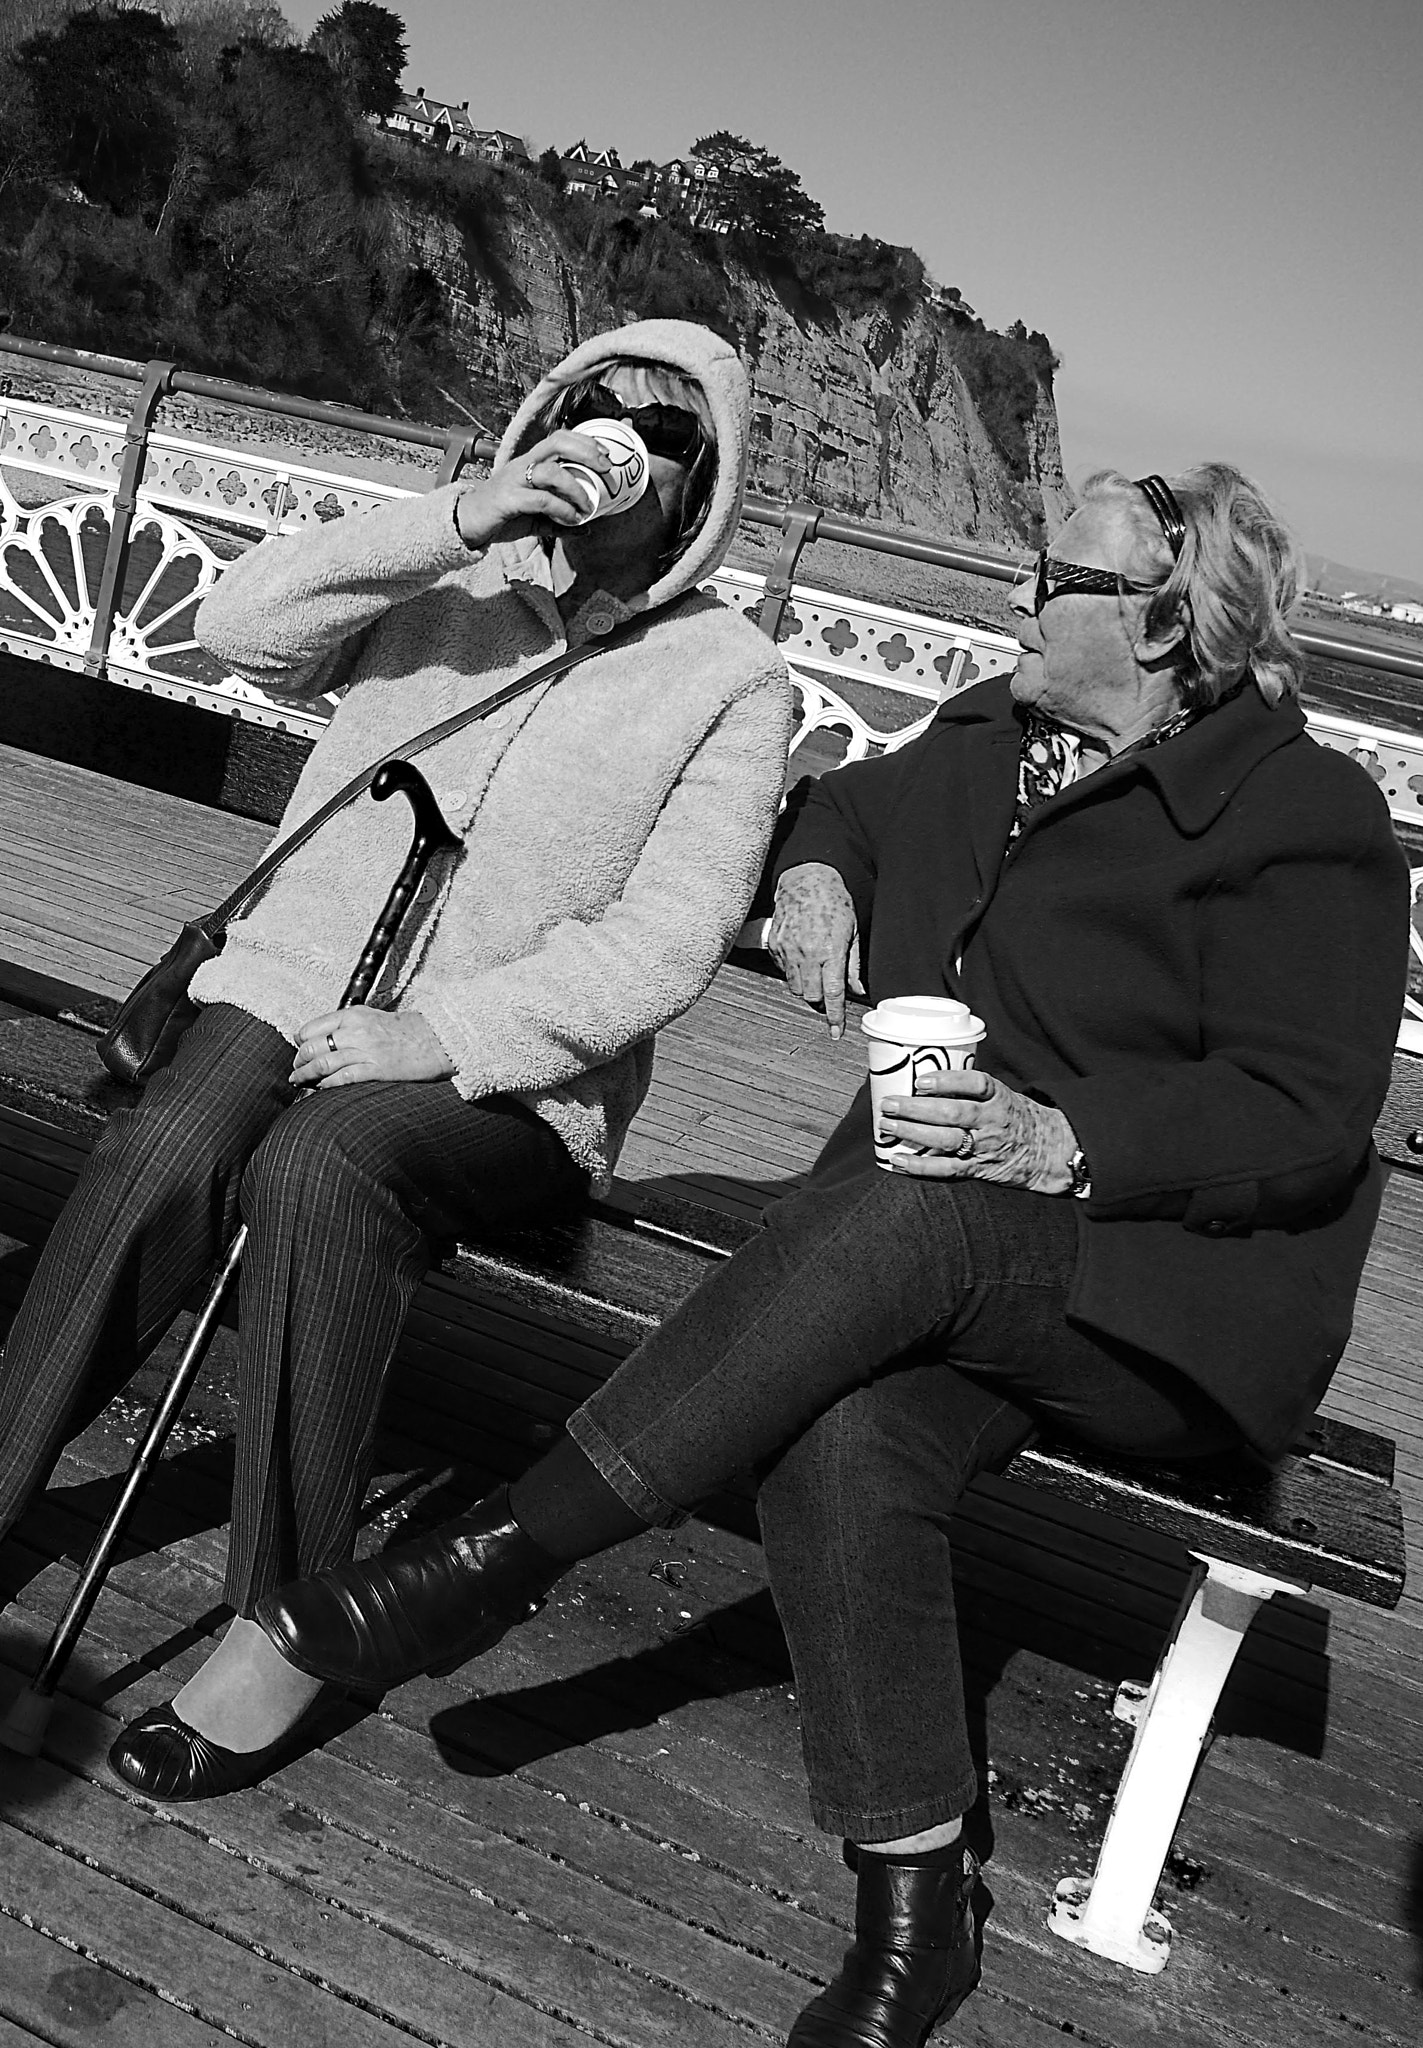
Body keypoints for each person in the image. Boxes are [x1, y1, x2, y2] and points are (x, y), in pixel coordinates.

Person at [257, 461, 1408, 2047]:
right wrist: (813, 870)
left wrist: (1065, 1143)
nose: (1021, 597)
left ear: (1158, 622)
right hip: (922, 1250)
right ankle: (920, 1905)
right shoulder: (993, 739)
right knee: (842, 1428)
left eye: (1055, 579)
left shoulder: (1308, 817)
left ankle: (492, 1562)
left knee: (901, 1208)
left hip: (1154, 1298)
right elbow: (846, 801)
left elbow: (1311, 1108)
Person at [0, 319, 794, 1802]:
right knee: (166, 1149)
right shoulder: (449, 576)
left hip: (503, 1079)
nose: (616, 434)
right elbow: (235, 630)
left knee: (320, 1164)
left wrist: (440, 1034)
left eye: (661, 429)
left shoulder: (733, 682)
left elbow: (670, 942)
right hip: (288, 987)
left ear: (702, 486)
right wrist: (458, 518)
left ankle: (288, 1620)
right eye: (590, 404)